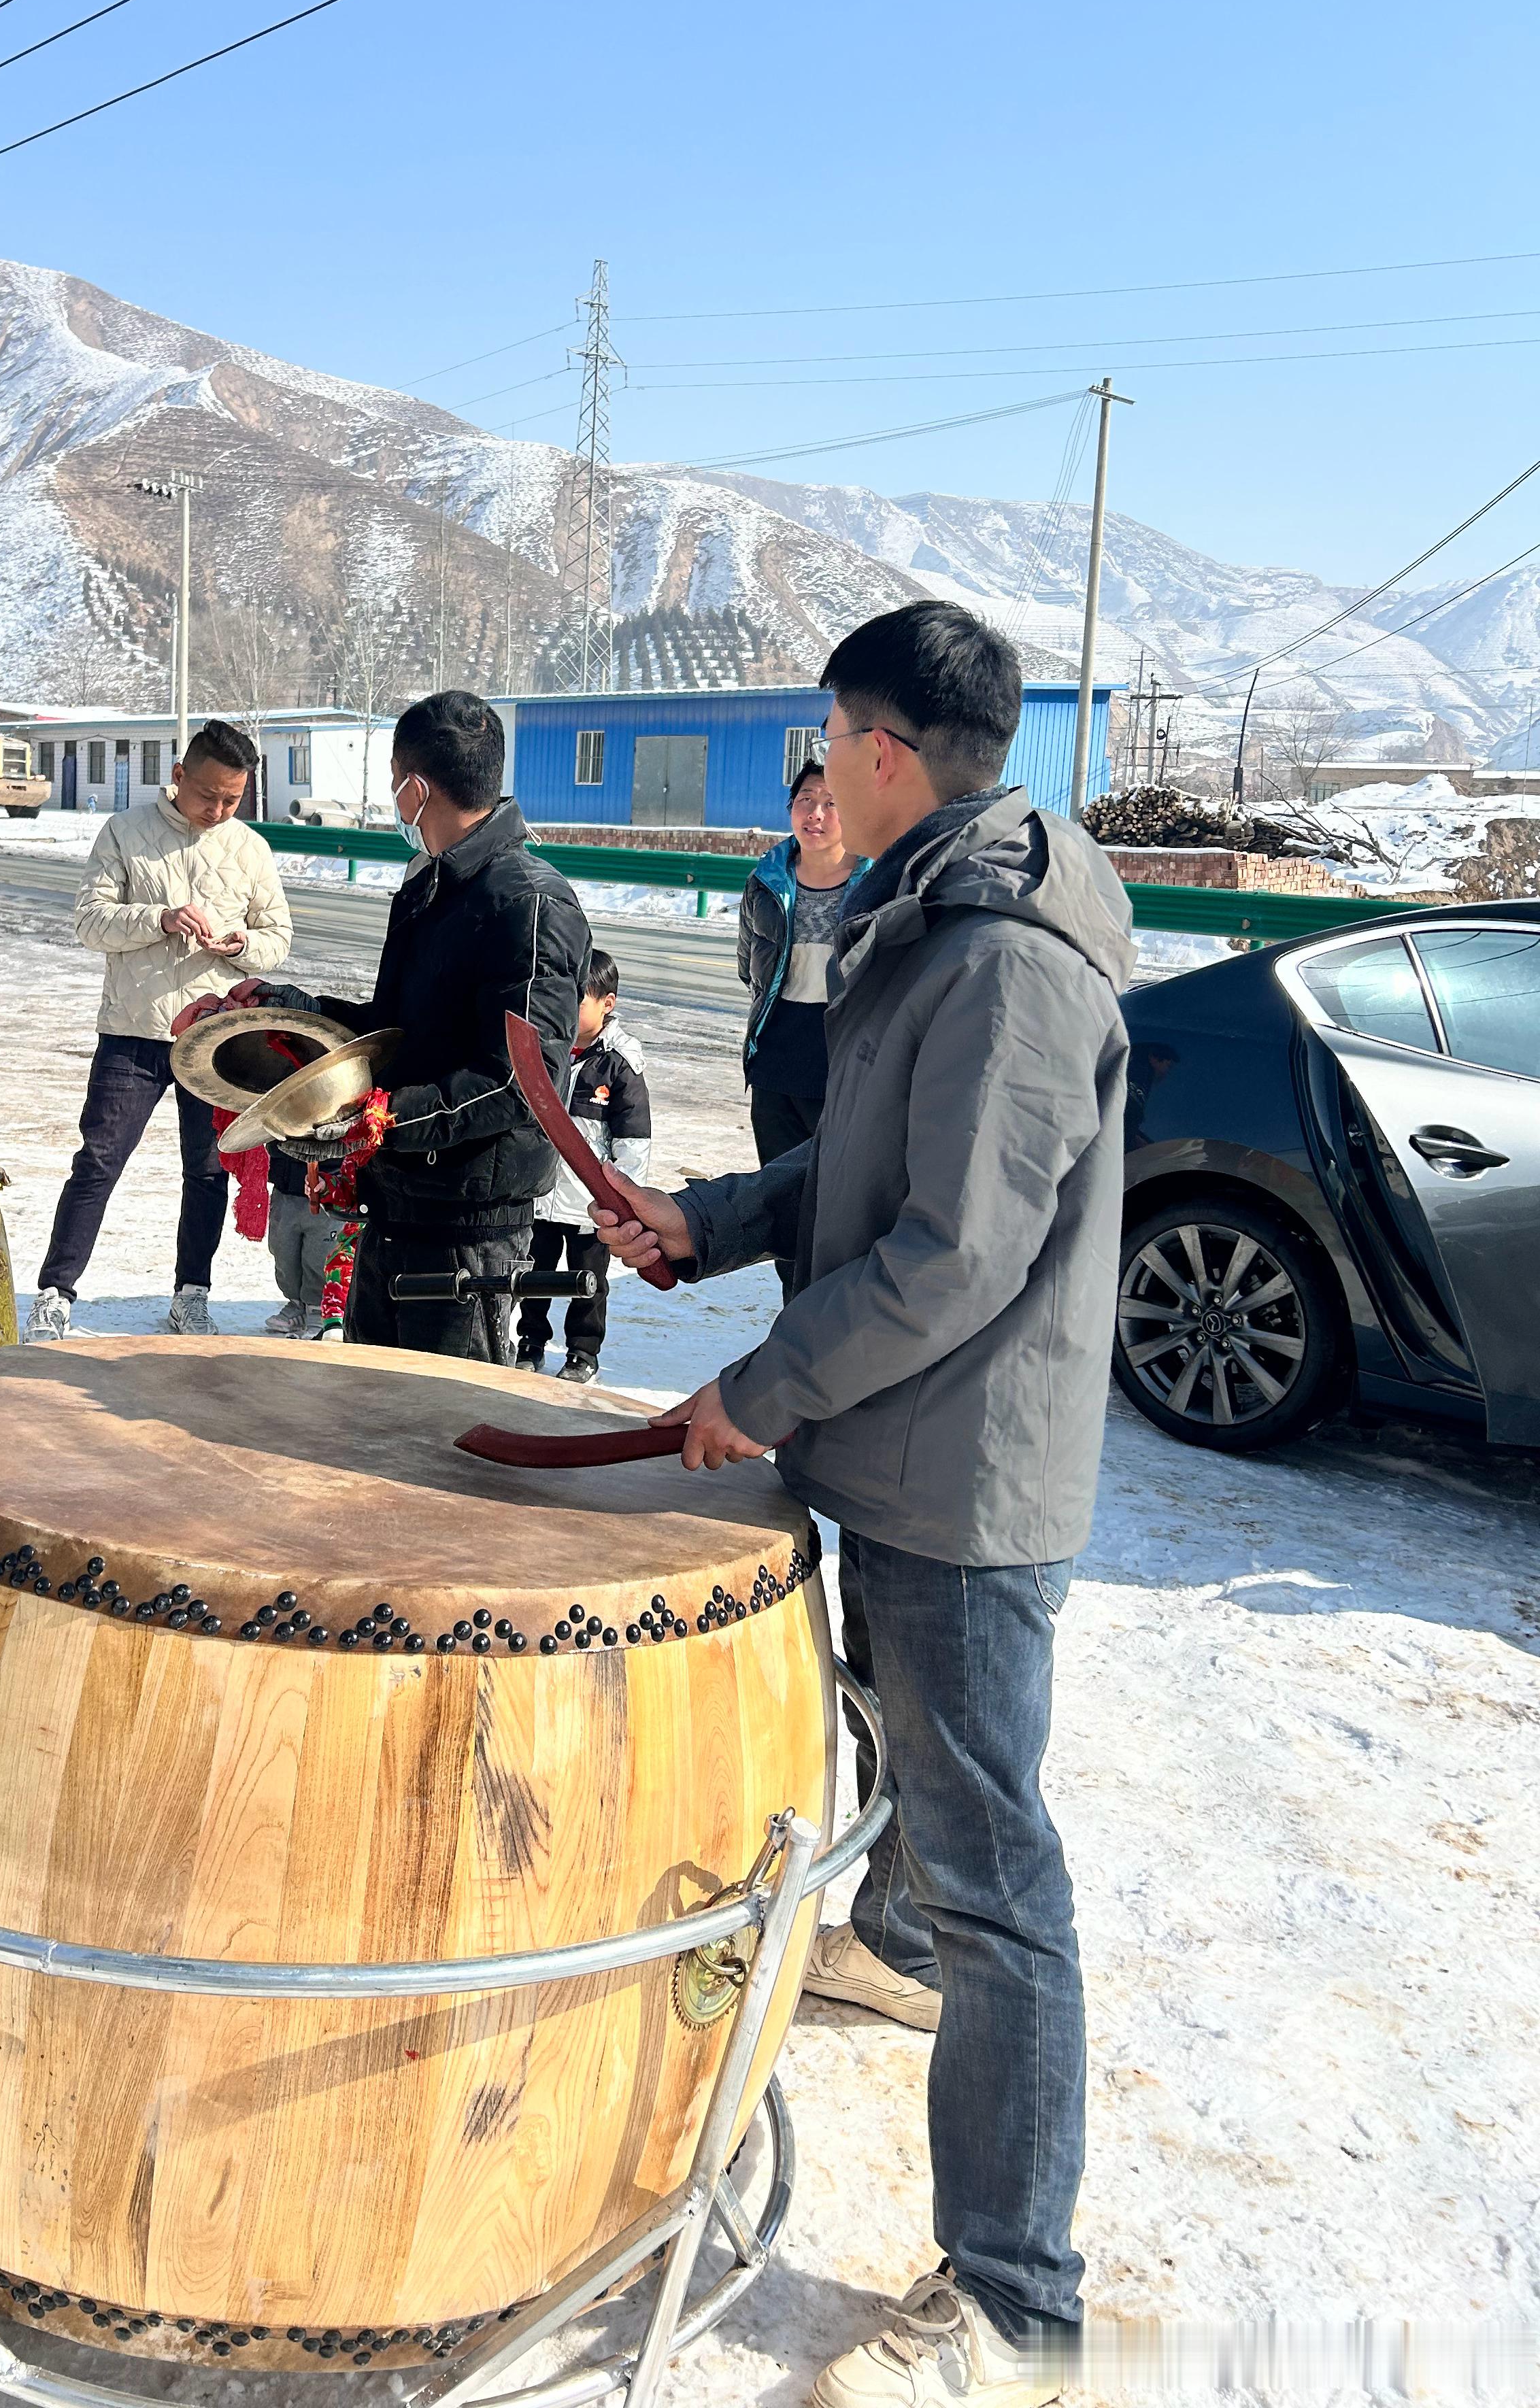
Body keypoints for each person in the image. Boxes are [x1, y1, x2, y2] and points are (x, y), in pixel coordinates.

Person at [589, 601, 1134, 2408]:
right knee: (930, 1816)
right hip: (901, 1450)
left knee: (1001, 1884)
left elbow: (952, 1253)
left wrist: (755, 1389)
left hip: (964, 1483)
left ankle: (1016, 2299)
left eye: (831, 737)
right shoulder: (934, 916)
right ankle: (892, 1953)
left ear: (886, 751)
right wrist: (716, 1220)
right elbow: (864, 1160)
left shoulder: (1008, 963)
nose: (818, 771)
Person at [238, 690, 588, 1363]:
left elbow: (520, 1084)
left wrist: (384, 1117)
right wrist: (281, 1008)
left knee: (439, 1431)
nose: (393, 794)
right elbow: (393, 1038)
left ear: (416, 788)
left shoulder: (529, 902)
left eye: (394, 778)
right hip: (396, 1202)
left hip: (467, 1223)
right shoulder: (428, 890)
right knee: (372, 1417)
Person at [29, 719, 290, 1342]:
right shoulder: (125, 832)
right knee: (98, 1162)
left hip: (216, 1037)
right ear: (178, 777)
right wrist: (160, 918)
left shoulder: (250, 848)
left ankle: (190, 1294)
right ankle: (55, 1292)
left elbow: (277, 939)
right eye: (209, 796)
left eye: (233, 799)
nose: (219, 810)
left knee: (207, 1172)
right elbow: (90, 922)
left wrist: (242, 944)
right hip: (134, 1029)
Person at [515, 948, 650, 1385]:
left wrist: (626, 1200)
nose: (569, 1008)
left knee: (588, 1283)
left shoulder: (620, 1063)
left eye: (581, 999)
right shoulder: (544, 1050)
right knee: (534, 1275)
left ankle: (582, 1353)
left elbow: (634, 1141)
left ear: (607, 1003)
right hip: (540, 1193)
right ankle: (530, 1343)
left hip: (592, 1205)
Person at [738, 758, 859, 1212]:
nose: (817, 814)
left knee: (840, 1201)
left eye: (832, 802)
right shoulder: (766, 881)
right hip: (776, 1059)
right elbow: (749, 966)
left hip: (844, 1056)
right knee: (784, 1201)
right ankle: (795, 1285)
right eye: (806, 801)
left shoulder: (878, 881)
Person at [261, 1138, 337, 1339]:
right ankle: (296, 1302)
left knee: (319, 1255)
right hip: (284, 1183)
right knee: (283, 1250)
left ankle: (317, 1306)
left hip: (327, 1182)